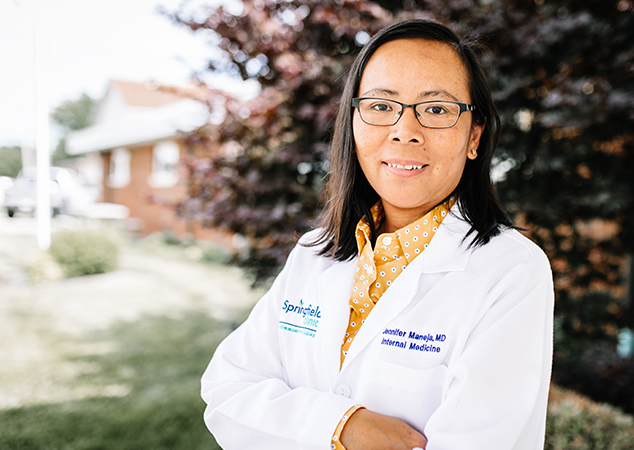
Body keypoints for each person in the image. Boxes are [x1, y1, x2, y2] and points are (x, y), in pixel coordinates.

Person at [201, 19, 555, 450]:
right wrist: (343, 425)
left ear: (474, 135)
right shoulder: (314, 254)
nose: (405, 130)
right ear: (354, 122)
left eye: (437, 109)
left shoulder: (511, 272)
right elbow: (228, 390)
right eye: (382, 106)